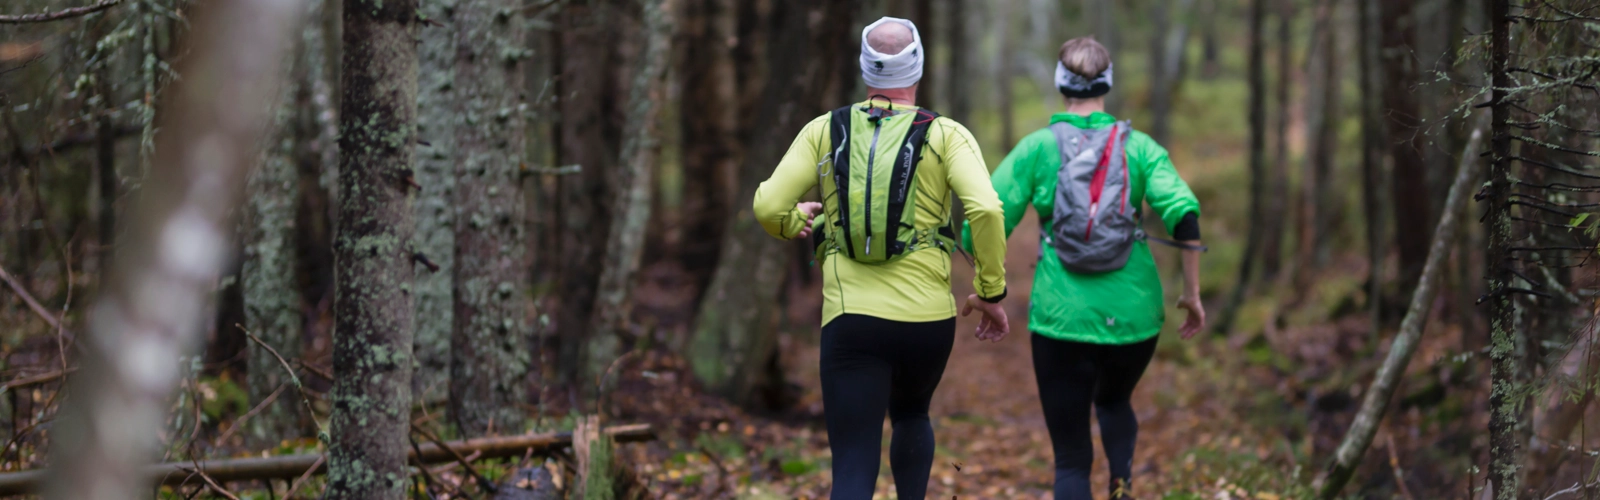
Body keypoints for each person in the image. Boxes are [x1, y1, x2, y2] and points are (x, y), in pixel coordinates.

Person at [750, 16, 1011, 500]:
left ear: (866, 68)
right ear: (917, 67)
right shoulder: (946, 134)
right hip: (927, 319)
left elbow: (767, 205)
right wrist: (991, 290)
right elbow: (987, 210)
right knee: (913, 414)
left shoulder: (824, 131)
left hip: (851, 320)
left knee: (853, 461)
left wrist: (793, 222)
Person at [965, 36, 1205, 500]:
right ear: (1107, 84)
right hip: (1135, 316)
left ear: (1060, 84)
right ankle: (1121, 486)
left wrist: (984, 288)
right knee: (1115, 401)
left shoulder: (1037, 148)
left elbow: (983, 218)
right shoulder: (1140, 147)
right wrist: (1191, 294)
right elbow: (1185, 215)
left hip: (1060, 318)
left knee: (1071, 457)